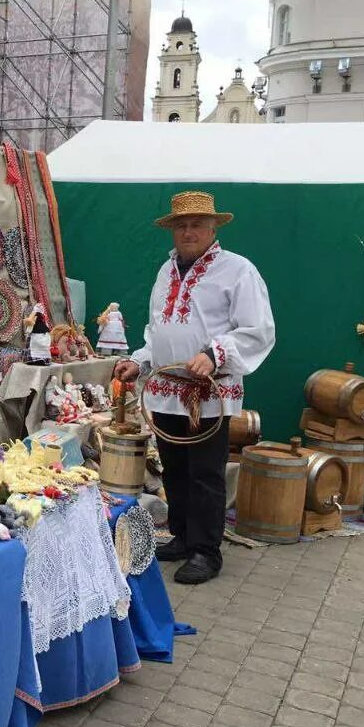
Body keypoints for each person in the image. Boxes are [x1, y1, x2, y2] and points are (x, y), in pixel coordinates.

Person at [113, 191, 275, 585]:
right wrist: (140, 358)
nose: (189, 231)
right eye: (181, 225)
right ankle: (184, 537)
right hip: (168, 389)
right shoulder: (166, 271)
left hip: (209, 393)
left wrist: (216, 353)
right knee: (175, 467)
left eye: (197, 224)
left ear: (213, 227)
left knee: (205, 472)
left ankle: (206, 551)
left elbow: (259, 330)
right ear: (172, 230)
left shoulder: (238, 270)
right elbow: (159, 329)